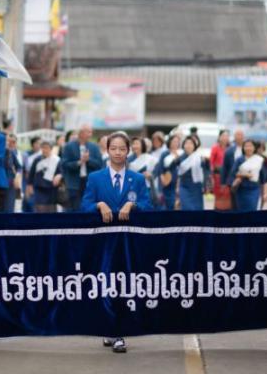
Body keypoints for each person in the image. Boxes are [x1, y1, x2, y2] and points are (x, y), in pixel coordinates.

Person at [81, 132, 152, 354]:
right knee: (105, 284)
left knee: (124, 285)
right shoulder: (95, 178)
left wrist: (133, 206)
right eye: (114, 149)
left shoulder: (137, 179)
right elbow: (84, 206)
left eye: (122, 149)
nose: (118, 153)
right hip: (103, 242)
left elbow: (148, 206)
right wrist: (98, 205)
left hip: (129, 242)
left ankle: (119, 333)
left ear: (128, 151)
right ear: (107, 150)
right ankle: (108, 327)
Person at [60, 124, 104, 211]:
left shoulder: (94, 147)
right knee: (74, 209)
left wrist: (88, 160)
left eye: (91, 132)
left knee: (88, 208)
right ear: (81, 133)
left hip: (89, 183)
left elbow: (99, 164)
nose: (90, 135)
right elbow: (64, 164)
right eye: (88, 132)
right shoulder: (69, 146)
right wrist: (78, 163)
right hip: (73, 183)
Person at [176, 135, 210, 211]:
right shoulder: (179, 158)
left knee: (197, 209)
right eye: (186, 143)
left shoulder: (200, 157)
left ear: (194, 146)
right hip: (184, 187)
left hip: (196, 188)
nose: (188, 145)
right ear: (183, 145)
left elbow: (206, 172)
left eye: (191, 143)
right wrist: (176, 187)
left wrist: (206, 186)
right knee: (187, 208)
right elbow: (176, 173)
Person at [231, 139, 266, 211]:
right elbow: (233, 173)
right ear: (243, 148)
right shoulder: (239, 160)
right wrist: (245, 175)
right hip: (241, 190)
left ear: (254, 148)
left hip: (254, 189)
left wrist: (264, 193)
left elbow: (263, 178)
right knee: (241, 211)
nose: (248, 148)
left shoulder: (259, 160)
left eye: (250, 146)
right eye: (246, 146)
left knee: (252, 209)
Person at [28, 140, 63, 212]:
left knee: (51, 210)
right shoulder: (37, 160)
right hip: (39, 188)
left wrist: (60, 175)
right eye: (43, 148)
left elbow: (61, 172)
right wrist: (29, 185)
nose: (44, 150)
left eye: (46, 148)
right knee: (40, 209)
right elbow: (31, 173)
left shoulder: (57, 160)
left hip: (52, 189)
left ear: (51, 149)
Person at [154, 133, 183, 210]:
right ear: (170, 142)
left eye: (177, 142)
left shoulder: (181, 153)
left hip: (176, 184)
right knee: (164, 205)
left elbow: (181, 169)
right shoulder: (165, 154)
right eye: (174, 141)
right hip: (165, 184)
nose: (175, 143)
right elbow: (160, 168)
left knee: (174, 205)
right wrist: (162, 179)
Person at [22, 137, 42, 213]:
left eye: (40, 143)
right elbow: (26, 170)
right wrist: (28, 184)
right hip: (28, 180)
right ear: (33, 144)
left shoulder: (42, 154)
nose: (39, 145)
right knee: (28, 200)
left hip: (38, 181)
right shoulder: (26, 154)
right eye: (37, 143)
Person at [5, 134, 22, 213]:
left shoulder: (11, 153)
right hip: (0, 186)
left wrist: (17, 176)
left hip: (11, 184)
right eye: (8, 141)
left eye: (13, 142)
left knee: (9, 208)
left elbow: (19, 167)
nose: (10, 143)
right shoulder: (2, 151)